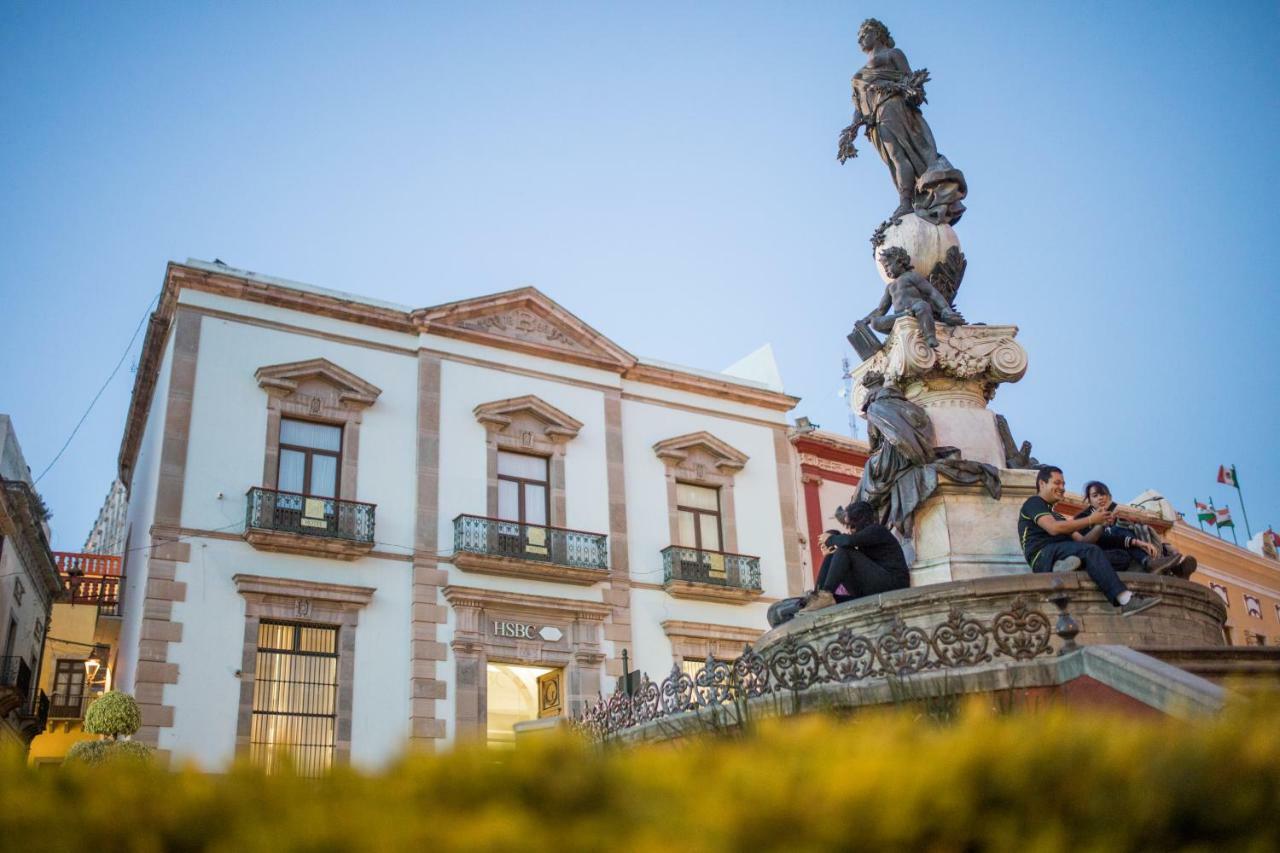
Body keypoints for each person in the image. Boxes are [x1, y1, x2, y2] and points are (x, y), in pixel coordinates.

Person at [1019, 466, 1161, 616]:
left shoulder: (1059, 516)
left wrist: (1101, 525)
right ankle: (1125, 600)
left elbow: (1084, 541)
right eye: (1057, 483)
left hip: (1063, 550)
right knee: (1090, 551)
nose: (1062, 488)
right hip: (1042, 556)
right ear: (1042, 484)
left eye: (1064, 484)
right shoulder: (1034, 502)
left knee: (1120, 557)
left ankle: (1071, 565)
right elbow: (1053, 528)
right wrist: (1091, 519)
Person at [802, 500, 910, 613]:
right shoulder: (865, 541)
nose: (850, 530)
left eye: (852, 526)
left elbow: (849, 541)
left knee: (844, 551)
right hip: (872, 588)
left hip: (893, 585)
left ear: (860, 520)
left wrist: (830, 539)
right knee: (831, 556)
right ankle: (817, 596)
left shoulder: (877, 530)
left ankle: (826, 595)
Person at [1073, 480, 1196, 577]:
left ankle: (1176, 569)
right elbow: (1101, 539)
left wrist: (1163, 545)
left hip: (1119, 549)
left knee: (1136, 530)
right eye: (1095, 495)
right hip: (1099, 554)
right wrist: (1134, 541)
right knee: (1122, 535)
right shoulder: (1083, 517)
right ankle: (1149, 563)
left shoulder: (1114, 517)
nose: (1100, 498)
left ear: (1109, 497)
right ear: (1089, 500)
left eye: (1103, 494)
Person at [863, 246, 965, 347]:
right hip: (899, 316)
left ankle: (930, 337)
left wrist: (945, 309)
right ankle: (897, 329)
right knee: (875, 323)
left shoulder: (911, 276)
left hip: (915, 308)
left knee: (923, 306)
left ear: (899, 262)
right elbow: (880, 310)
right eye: (884, 268)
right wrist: (865, 321)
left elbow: (932, 292)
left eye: (888, 265)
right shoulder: (890, 287)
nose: (886, 270)